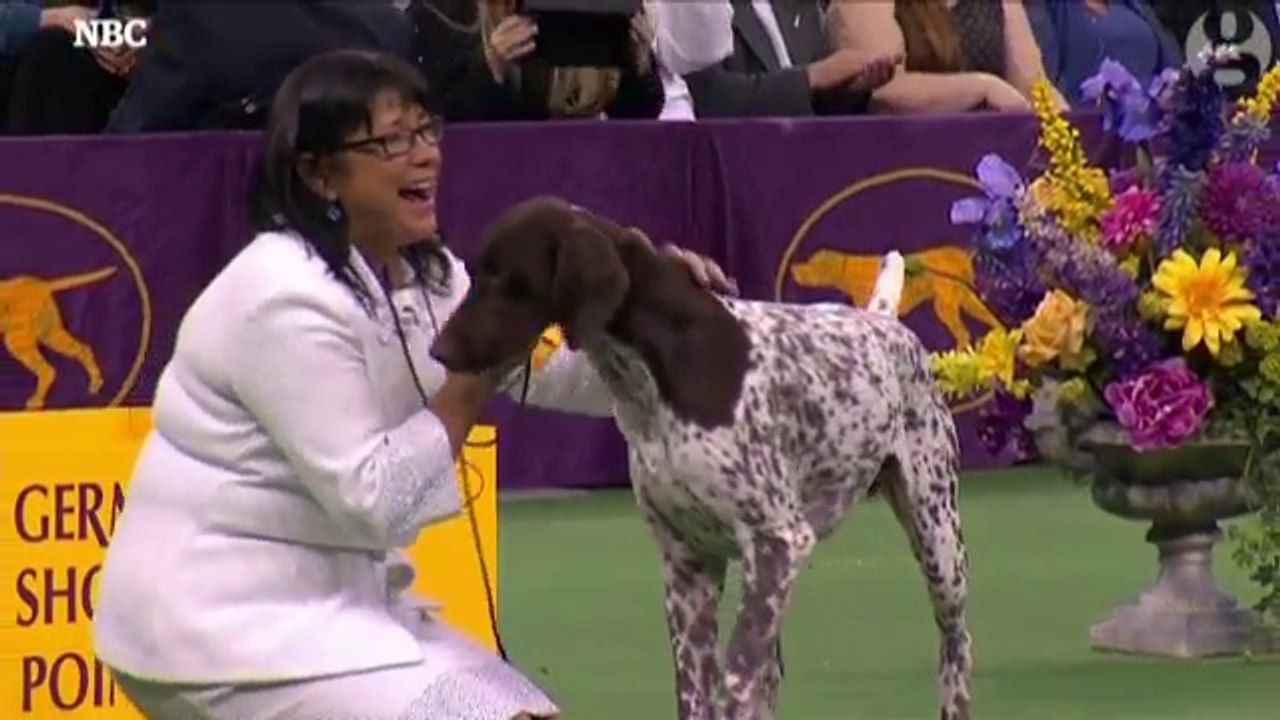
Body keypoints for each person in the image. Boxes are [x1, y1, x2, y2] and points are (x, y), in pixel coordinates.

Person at [91, 48, 735, 719]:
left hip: (348, 604)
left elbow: (565, 378)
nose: (425, 154)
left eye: (427, 131)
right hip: (219, 627)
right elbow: (377, 501)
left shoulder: (426, 276)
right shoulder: (281, 298)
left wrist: (663, 320)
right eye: (392, 139)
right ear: (318, 174)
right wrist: (475, 371)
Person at [410, 0, 663, 121]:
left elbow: (639, 116)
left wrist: (638, 65)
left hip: (587, 169)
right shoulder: (447, 12)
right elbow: (440, 121)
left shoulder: (600, 8)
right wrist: (490, 67)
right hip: (497, 176)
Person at [829, 0, 1067, 113]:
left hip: (992, 163)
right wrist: (983, 88)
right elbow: (885, 91)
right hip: (902, 163)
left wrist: (1080, 138)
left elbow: (1034, 89)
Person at [680, 0, 901, 118]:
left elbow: (816, 104)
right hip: (740, 168)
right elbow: (706, 98)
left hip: (812, 169)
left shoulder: (799, 7)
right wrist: (811, 77)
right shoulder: (691, 8)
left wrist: (849, 89)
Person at [1027, 0, 1182, 107]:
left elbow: (1173, 69)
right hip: (1087, 134)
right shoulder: (1044, 8)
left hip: (1158, 133)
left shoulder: (1135, 5)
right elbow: (1042, 82)